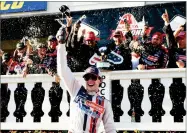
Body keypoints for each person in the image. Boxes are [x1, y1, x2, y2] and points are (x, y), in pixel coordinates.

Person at [57, 20, 116, 132]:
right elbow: (63, 70)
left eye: (93, 77)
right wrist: (61, 44)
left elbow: (110, 128)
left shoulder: (105, 103)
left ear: (100, 80)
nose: (90, 80)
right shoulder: (76, 90)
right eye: (87, 77)